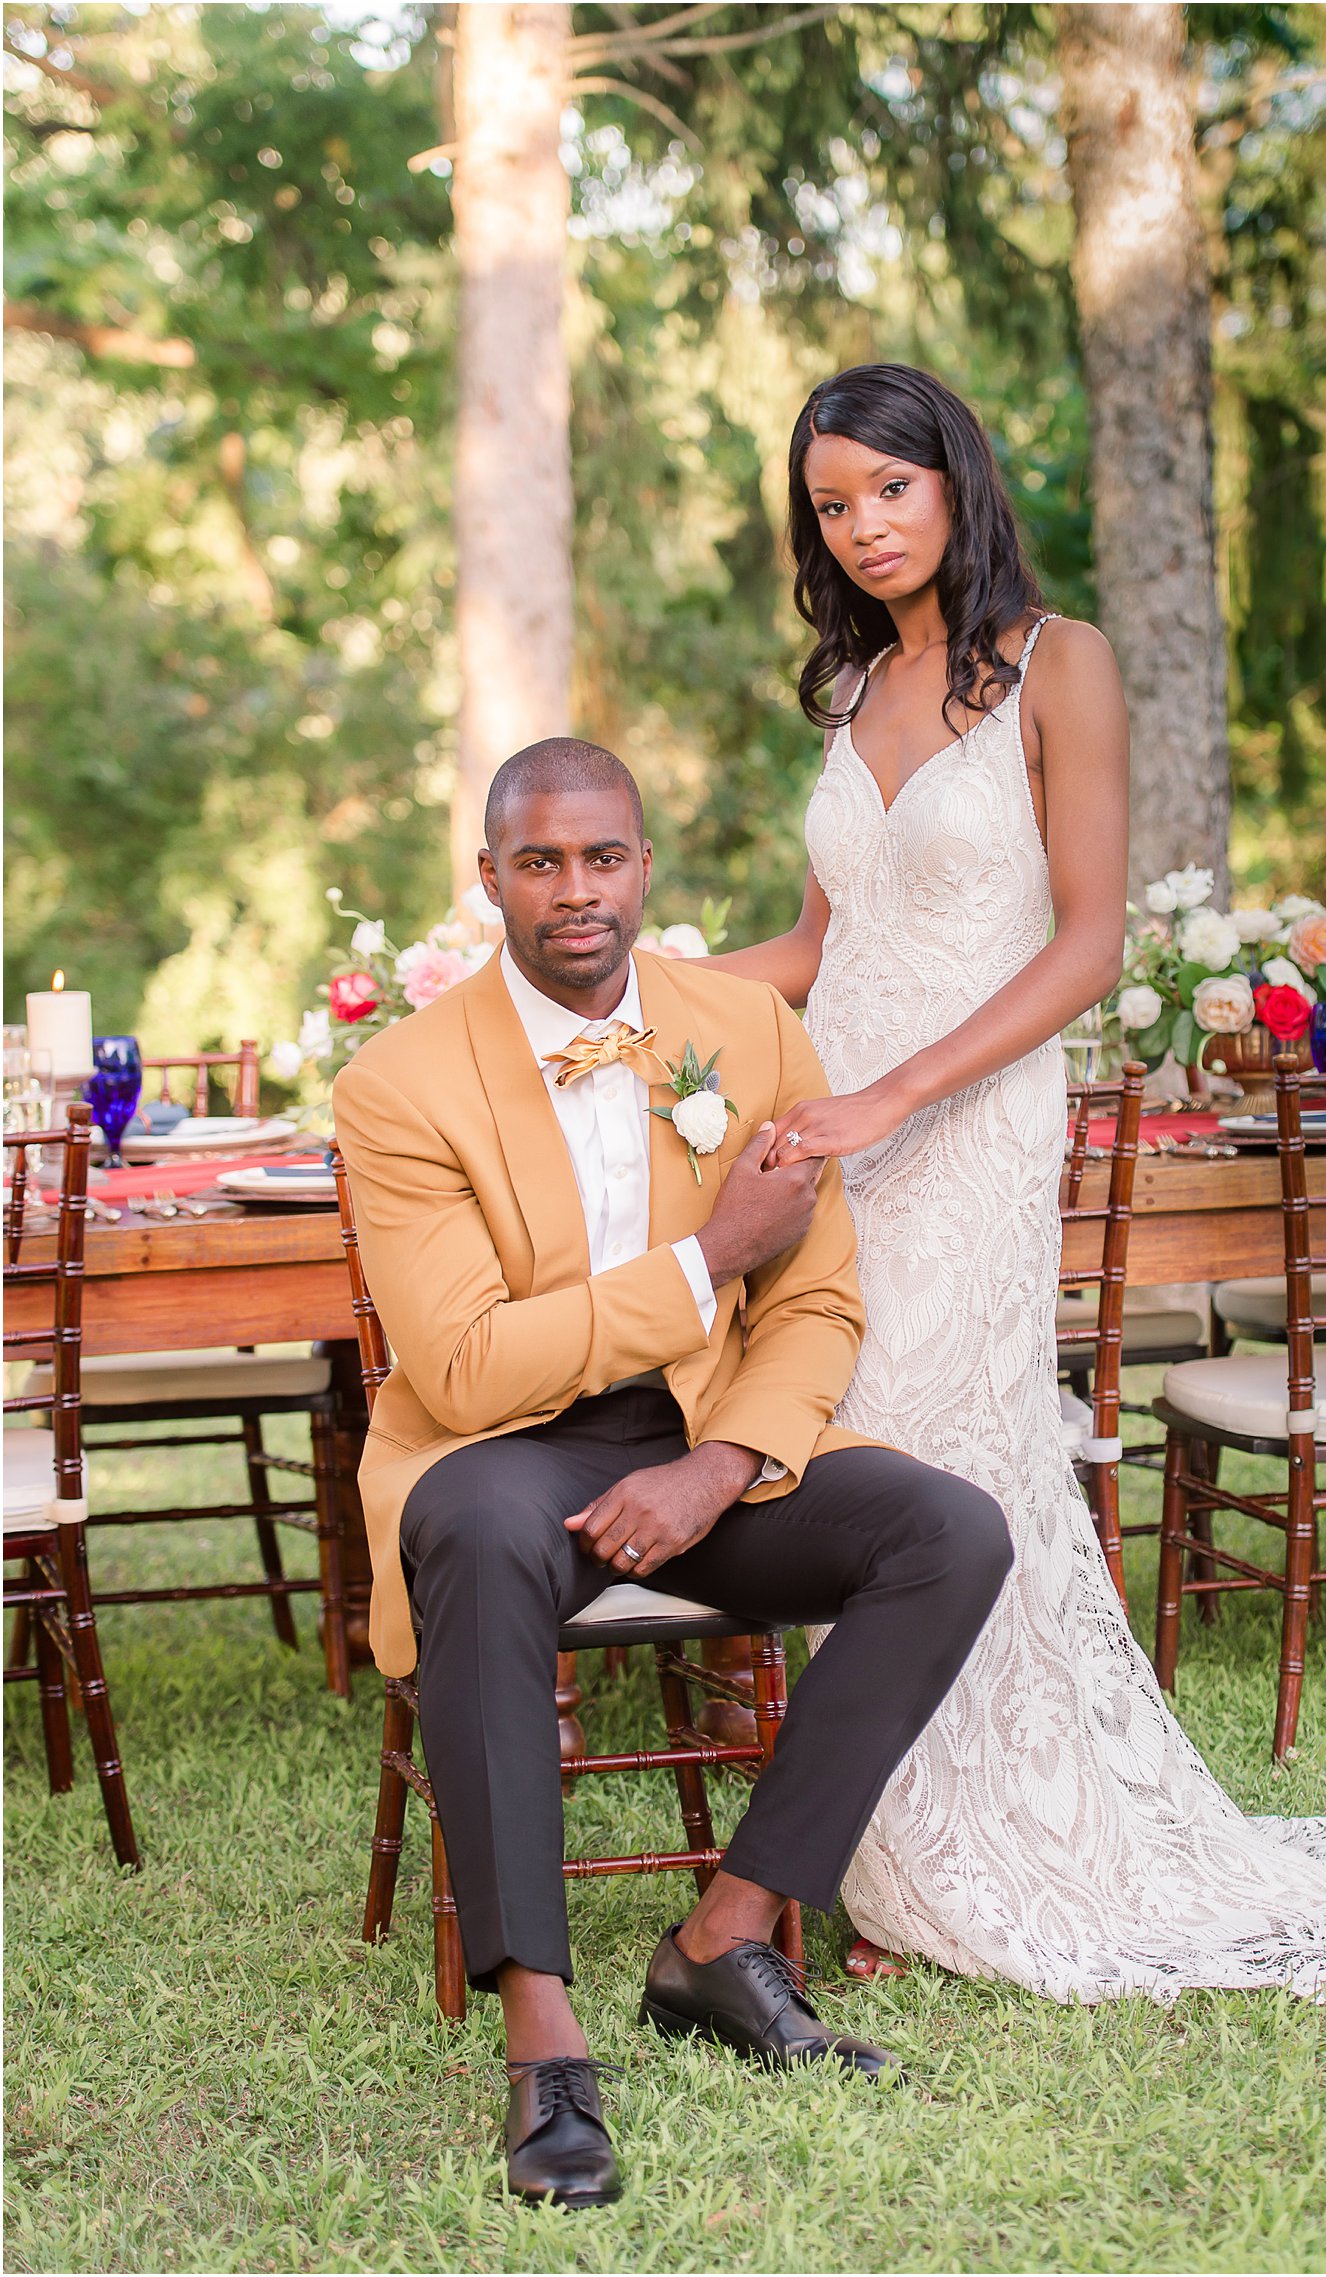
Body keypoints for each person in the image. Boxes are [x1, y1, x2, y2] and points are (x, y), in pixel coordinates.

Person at [712, 361, 1326, 1998]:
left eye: (888, 489)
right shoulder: (853, 689)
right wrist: (612, 999)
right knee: (848, 1451)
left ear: (955, 477)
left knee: (942, 1454)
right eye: (831, 505)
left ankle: (972, 1843)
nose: (862, 527)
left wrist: (893, 1095)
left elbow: (1087, 946)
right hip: (839, 1132)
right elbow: (814, 944)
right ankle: (873, 1837)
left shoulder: (1057, 665)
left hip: (965, 1123)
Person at [331, 736, 1013, 2209]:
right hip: (501, 1453)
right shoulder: (398, 1085)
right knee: (475, 1527)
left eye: (603, 857)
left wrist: (717, 1466)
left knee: (949, 1531)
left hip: (700, 1435)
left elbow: (818, 1300)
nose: (575, 892)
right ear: (490, 878)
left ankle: (725, 1934)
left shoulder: (750, 1028)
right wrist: (707, 1255)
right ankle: (545, 2037)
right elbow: (460, 1366)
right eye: (539, 862)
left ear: (645, 864)